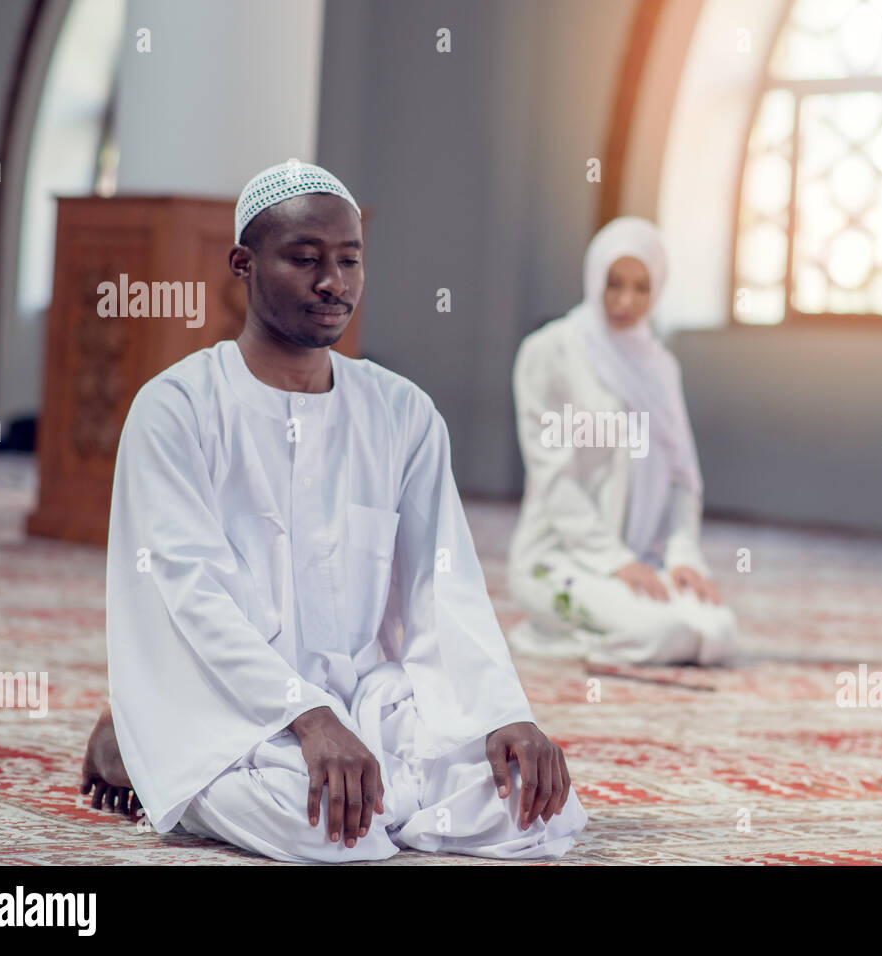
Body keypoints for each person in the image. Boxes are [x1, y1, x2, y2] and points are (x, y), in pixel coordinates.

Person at [78, 159, 587, 863]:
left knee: (537, 809)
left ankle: (374, 790)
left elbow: (444, 584)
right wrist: (305, 716)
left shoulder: (402, 411)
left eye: (349, 260)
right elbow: (192, 596)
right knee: (326, 832)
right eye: (305, 258)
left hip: (361, 700)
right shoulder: (178, 407)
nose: (333, 282)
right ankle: (138, 736)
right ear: (243, 264)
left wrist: (504, 713)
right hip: (222, 701)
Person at [506, 216, 737, 667]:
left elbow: (681, 478)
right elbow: (552, 479)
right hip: (561, 555)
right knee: (663, 631)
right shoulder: (550, 351)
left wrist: (683, 558)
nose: (625, 301)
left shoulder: (658, 365)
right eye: (613, 284)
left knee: (716, 630)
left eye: (641, 287)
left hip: (641, 559)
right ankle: (547, 633)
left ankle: (618, 614)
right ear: (594, 278)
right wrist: (613, 561)